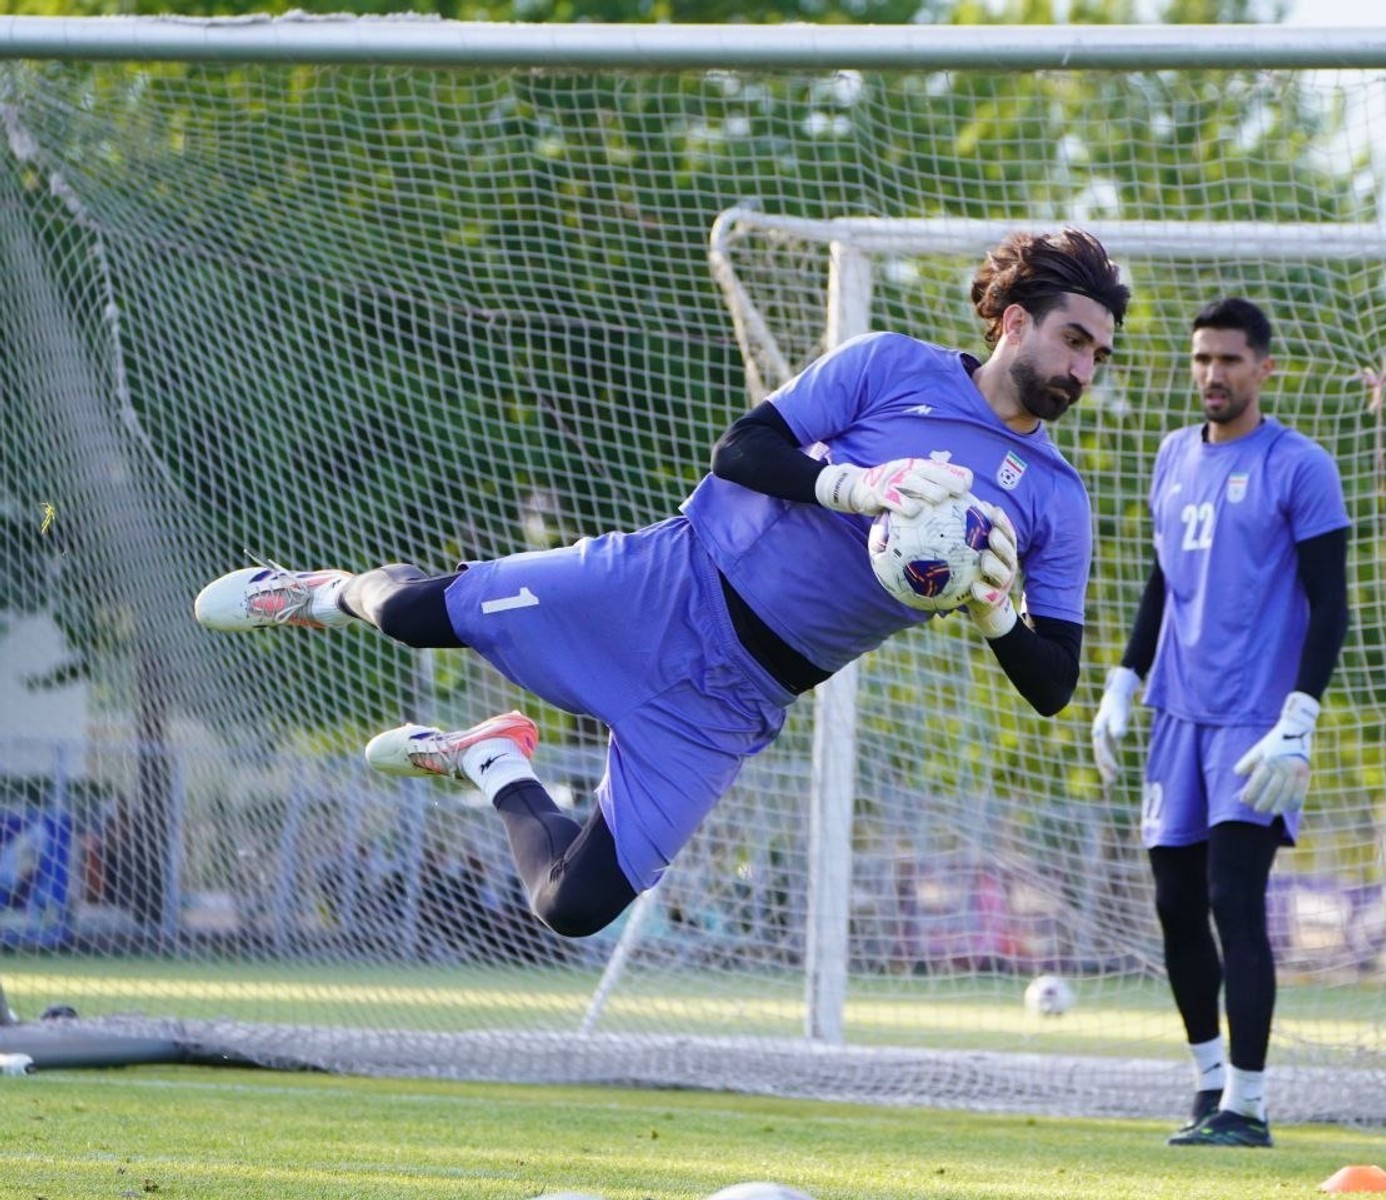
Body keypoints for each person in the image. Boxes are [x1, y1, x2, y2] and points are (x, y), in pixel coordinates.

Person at [194, 228, 1131, 943]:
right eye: (1074, 340)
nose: (1083, 369)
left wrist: (997, 615)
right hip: (666, 583)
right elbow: (742, 449)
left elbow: (1053, 683)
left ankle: (492, 760)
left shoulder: (1056, 500)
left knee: (572, 906)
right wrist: (856, 486)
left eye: (1098, 355)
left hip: (733, 699)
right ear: (1015, 322)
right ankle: (320, 594)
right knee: (409, 612)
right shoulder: (890, 365)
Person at [1090, 297, 1349, 1149]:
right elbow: (1163, 580)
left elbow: (1331, 603)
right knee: (1174, 901)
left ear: (1263, 369)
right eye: (1203, 358)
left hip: (1256, 722)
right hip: (1177, 711)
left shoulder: (1299, 466)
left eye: (1230, 360)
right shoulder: (1173, 455)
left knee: (1234, 896)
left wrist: (1300, 718)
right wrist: (1124, 680)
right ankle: (1208, 1088)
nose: (1213, 374)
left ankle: (1250, 1105)